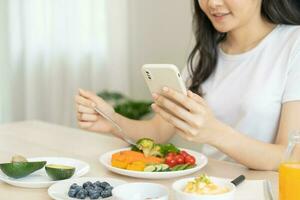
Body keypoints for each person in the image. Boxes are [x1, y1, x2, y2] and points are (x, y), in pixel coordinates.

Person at [75, 0, 300, 171]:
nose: (212, 4)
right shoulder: (205, 55)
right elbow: (158, 132)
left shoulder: (293, 44)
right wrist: (113, 121)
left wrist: (214, 133)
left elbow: (291, 157)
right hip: (209, 187)